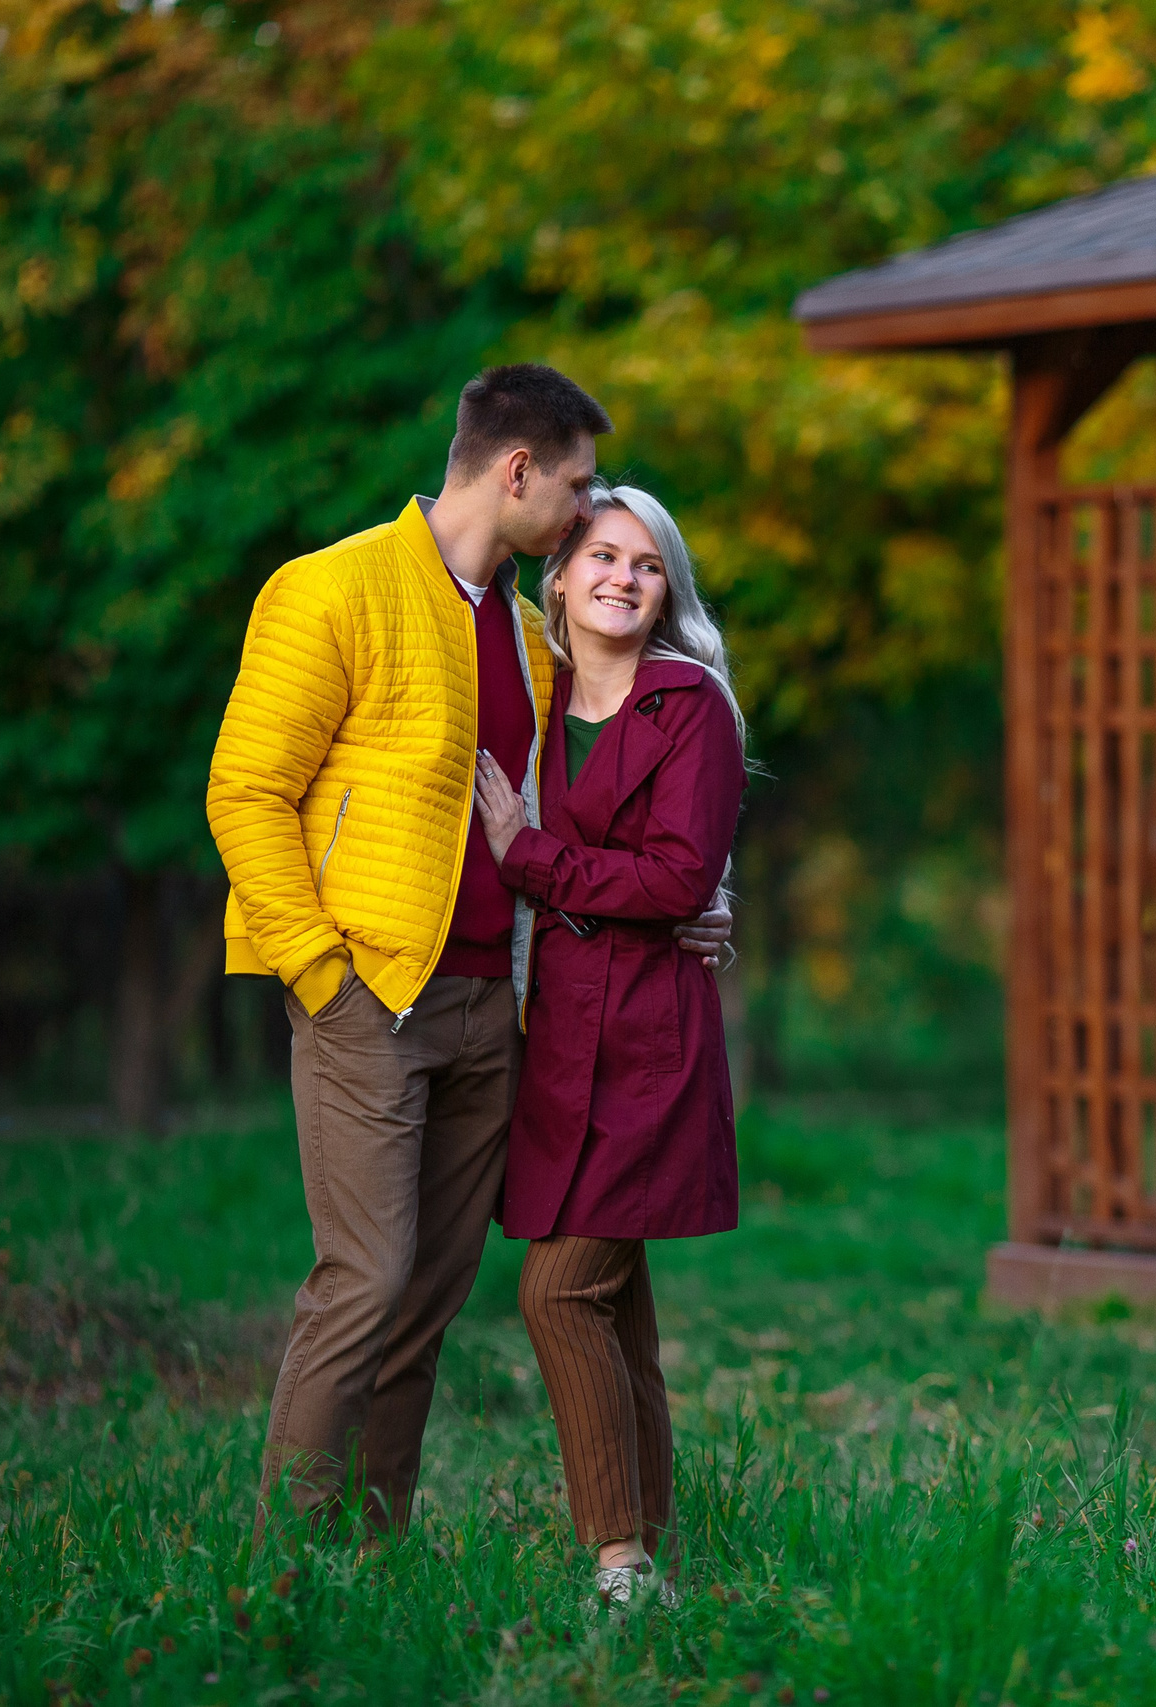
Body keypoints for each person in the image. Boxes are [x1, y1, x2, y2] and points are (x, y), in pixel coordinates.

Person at [206, 365, 733, 1538]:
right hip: (367, 997)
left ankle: (375, 1556)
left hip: (495, 1010)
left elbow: (611, 821)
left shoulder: (529, 633)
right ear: (517, 473)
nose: (586, 511)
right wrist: (316, 968)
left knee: (429, 1298)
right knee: (365, 1282)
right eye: (578, 487)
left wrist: (701, 902)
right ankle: (277, 1568)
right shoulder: (332, 587)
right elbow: (246, 791)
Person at [469, 482, 745, 1611]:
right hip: (554, 1044)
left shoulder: (690, 705)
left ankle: (618, 1559)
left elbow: (680, 877)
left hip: (648, 1050)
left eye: (645, 563)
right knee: (616, 1311)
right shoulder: (532, 705)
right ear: (560, 576)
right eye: (600, 556)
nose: (623, 578)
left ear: (664, 586)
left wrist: (527, 855)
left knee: (557, 1295)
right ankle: (659, 1547)